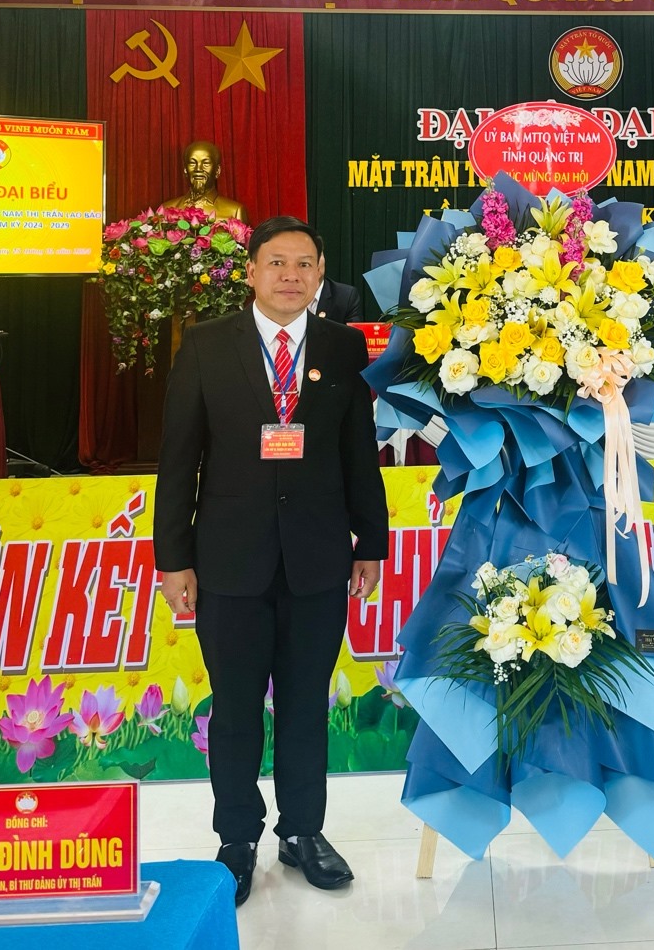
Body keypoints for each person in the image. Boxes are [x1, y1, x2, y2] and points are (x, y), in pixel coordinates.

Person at [153, 215, 389, 906]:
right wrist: (173, 558)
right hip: (228, 558)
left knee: (305, 705)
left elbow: (358, 453)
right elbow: (178, 460)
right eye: (277, 263)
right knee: (234, 709)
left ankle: (303, 831)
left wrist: (371, 541)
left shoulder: (343, 347)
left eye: (304, 264)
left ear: (321, 275)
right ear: (251, 272)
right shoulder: (206, 344)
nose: (291, 276)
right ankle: (236, 839)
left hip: (318, 556)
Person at [161, 140, 248, 221]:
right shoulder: (166, 210)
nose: (198, 169)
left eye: (206, 163)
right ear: (185, 170)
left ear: (217, 171)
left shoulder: (235, 212)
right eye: (192, 163)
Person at [309, 232, 363, 323]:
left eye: (319, 254)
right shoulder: (285, 294)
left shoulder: (345, 297)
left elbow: (352, 331)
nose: (316, 262)